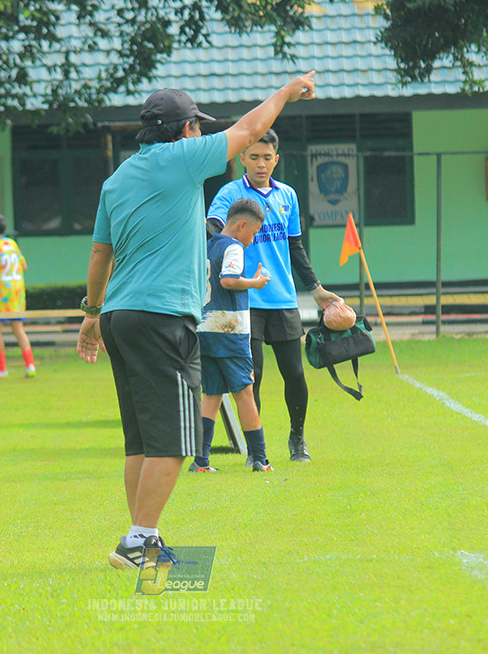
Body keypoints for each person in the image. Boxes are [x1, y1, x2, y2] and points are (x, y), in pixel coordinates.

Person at [77, 71, 318, 570]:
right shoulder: (183, 159)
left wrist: (92, 313)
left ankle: (144, 541)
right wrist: (286, 92)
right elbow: (248, 131)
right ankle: (138, 541)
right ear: (186, 129)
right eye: (197, 126)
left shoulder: (117, 179)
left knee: (142, 442)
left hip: (120, 316)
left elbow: (100, 253)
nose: (201, 133)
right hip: (162, 317)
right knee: (175, 441)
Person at [207, 128, 341, 462]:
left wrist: (316, 288)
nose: (260, 164)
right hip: (244, 301)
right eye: (254, 157)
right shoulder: (230, 193)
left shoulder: (288, 196)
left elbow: (295, 247)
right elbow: (212, 229)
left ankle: (298, 438)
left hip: (283, 299)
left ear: (276, 159)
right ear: (242, 159)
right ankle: (256, 452)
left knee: (294, 373)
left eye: (267, 158)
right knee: (252, 377)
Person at [191, 198, 274, 473]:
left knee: (212, 393)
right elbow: (228, 280)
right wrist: (256, 282)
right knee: (244, 392)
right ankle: (260, 459)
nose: (252, 240)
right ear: (242, 225)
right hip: (229, 329)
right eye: (253, 232)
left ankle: (201, 461)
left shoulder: (209, 245)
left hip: (205, 327)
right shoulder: (234, 247)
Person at [0, 214, 36, 379]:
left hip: (2, 292)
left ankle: (1, 368)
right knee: (18, 329)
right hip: (17, 291)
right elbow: (24, 266)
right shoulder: (11, 244)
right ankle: (30, 365)